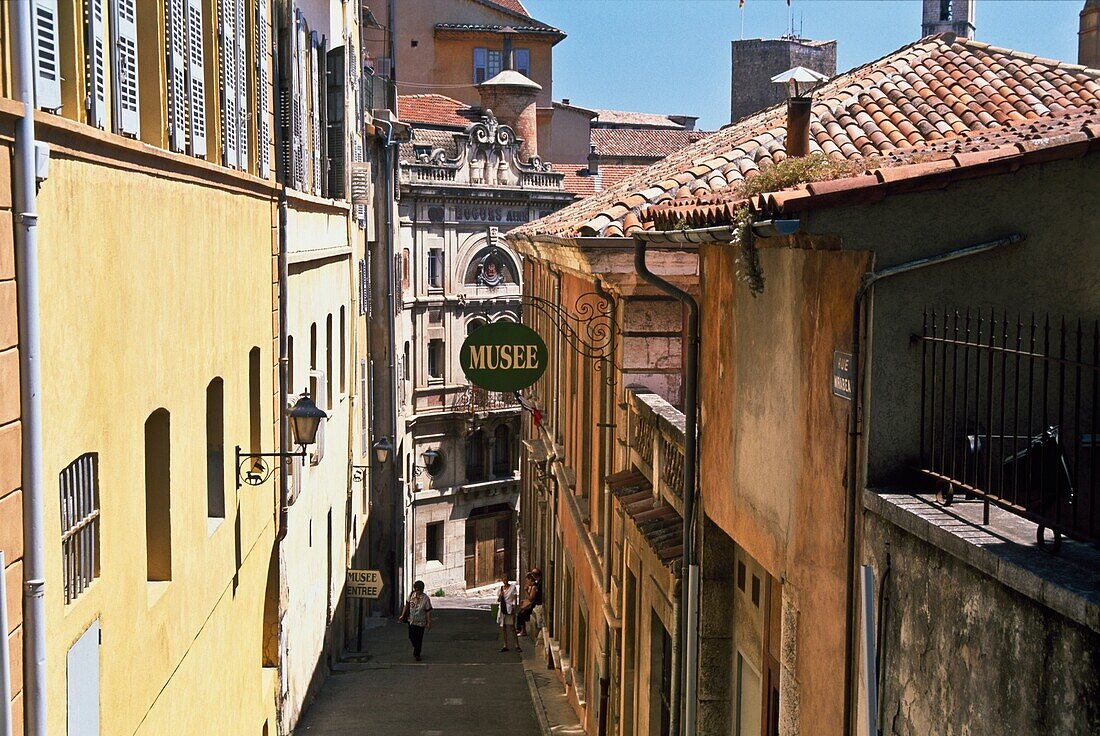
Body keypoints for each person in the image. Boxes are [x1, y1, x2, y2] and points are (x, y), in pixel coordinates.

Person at [399, 580, 433, 661]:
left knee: (419, 638)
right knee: (411, 637)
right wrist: (402, 615)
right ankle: (416, 648)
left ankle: (417, 654)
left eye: (419, 590)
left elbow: (428, 611)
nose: (418, 592)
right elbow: (406, 606)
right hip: (411, 620)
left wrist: (429, 622)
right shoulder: (411, 595)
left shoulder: (426, 599)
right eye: (416, 590)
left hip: (421, 622)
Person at [497, 575, 520, 652]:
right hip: (503, 609)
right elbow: (499, 600)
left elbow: (515, 597)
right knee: (503, 628)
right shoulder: (501, 589)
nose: (505, 581)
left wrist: (515, 607)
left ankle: (517, 645)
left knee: (512, 627)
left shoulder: (512, 587)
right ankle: (505, 645)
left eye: (506, 579)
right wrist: (500, 595)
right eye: (504, 580)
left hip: (510, 608)